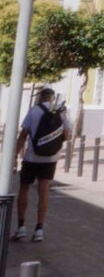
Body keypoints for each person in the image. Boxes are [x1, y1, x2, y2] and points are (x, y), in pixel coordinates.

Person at [12, 86, 67, 243]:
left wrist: (15, 155)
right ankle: (39, 229)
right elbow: (66, 135)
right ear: (52, 97)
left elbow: (23, 134)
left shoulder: (34, 111)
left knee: (24, 188)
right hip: (50, 159)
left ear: (40, 97)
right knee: (44, 191)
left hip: (32, 157)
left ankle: (21, 227)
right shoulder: (61, 111)